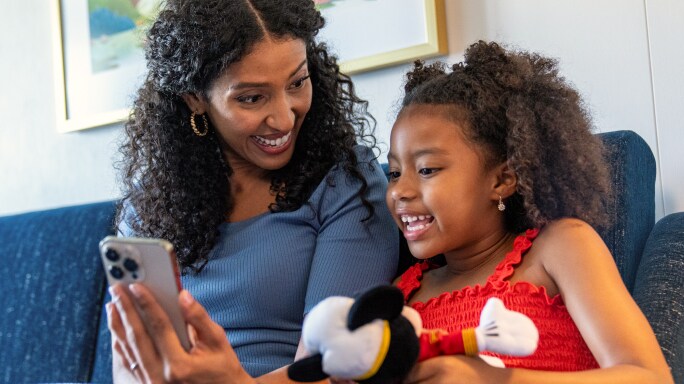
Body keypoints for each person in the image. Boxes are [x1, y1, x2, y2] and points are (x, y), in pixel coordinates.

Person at [106, 0, 398, 382]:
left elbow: (338, 368)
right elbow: (131, 363)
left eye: (297, 83)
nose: (283, 118)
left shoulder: (346, 183)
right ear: (195, 98)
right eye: (251, 97)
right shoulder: (146, 209)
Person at [387, 41, 674, 383]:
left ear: (503, 179)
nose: (399, 191)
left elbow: (649, 376)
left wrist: (492, 380)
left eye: (427, 169)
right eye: (393, 173)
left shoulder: (561, 247)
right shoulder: (401, 295)